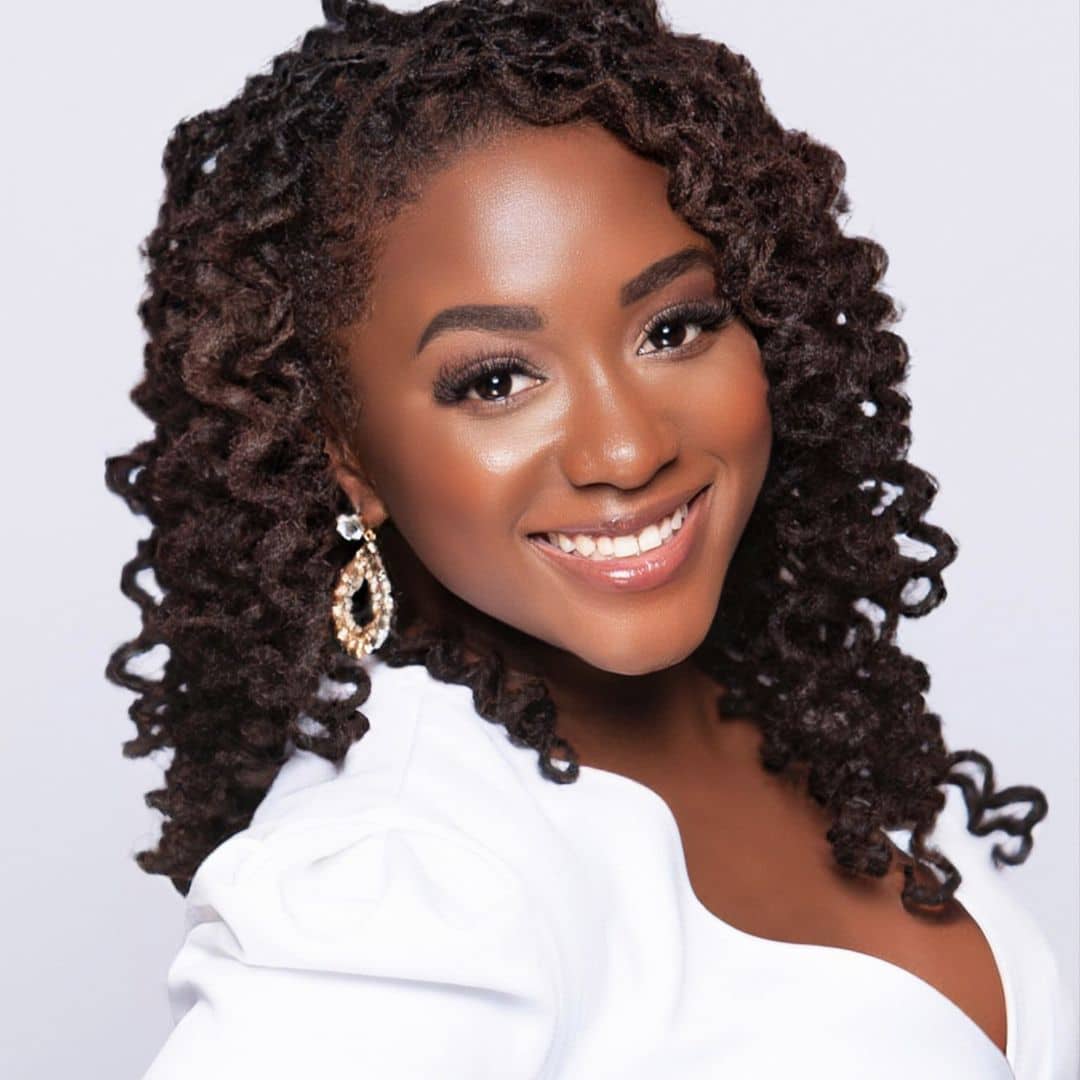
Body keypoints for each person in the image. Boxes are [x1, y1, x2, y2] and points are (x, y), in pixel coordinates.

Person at [105, 1, 1076, 1076]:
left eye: (673, 328)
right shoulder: (404, 875)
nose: (624, 449)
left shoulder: (803, 714)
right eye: (496, 381)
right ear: (347, 459)